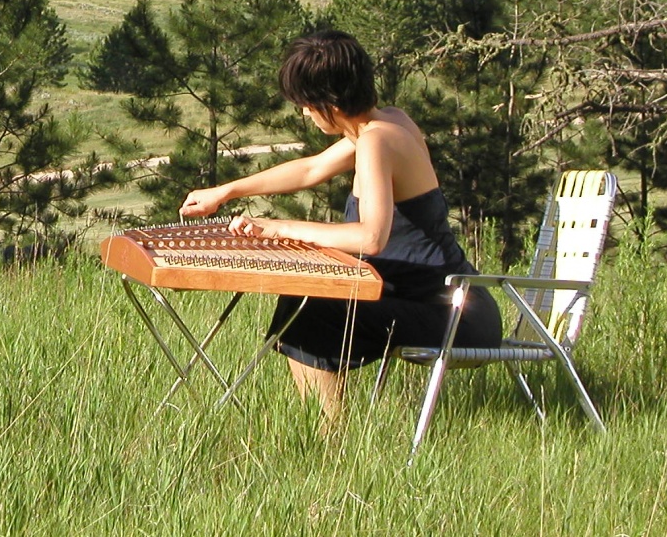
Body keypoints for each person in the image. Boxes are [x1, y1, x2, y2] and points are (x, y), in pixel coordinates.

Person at [179, 30, 502, 422]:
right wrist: (226, 191)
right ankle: (323, 428)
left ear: (328, 103)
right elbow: (312, 168)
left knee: (312, 311)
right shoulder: (384, 123)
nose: (303, 113)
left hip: (454, 316)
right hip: (458, 305)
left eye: (305, 104)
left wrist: (276, 227)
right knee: (304, 303)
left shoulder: (376, 141)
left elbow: (371, 237)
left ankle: (331, 438)